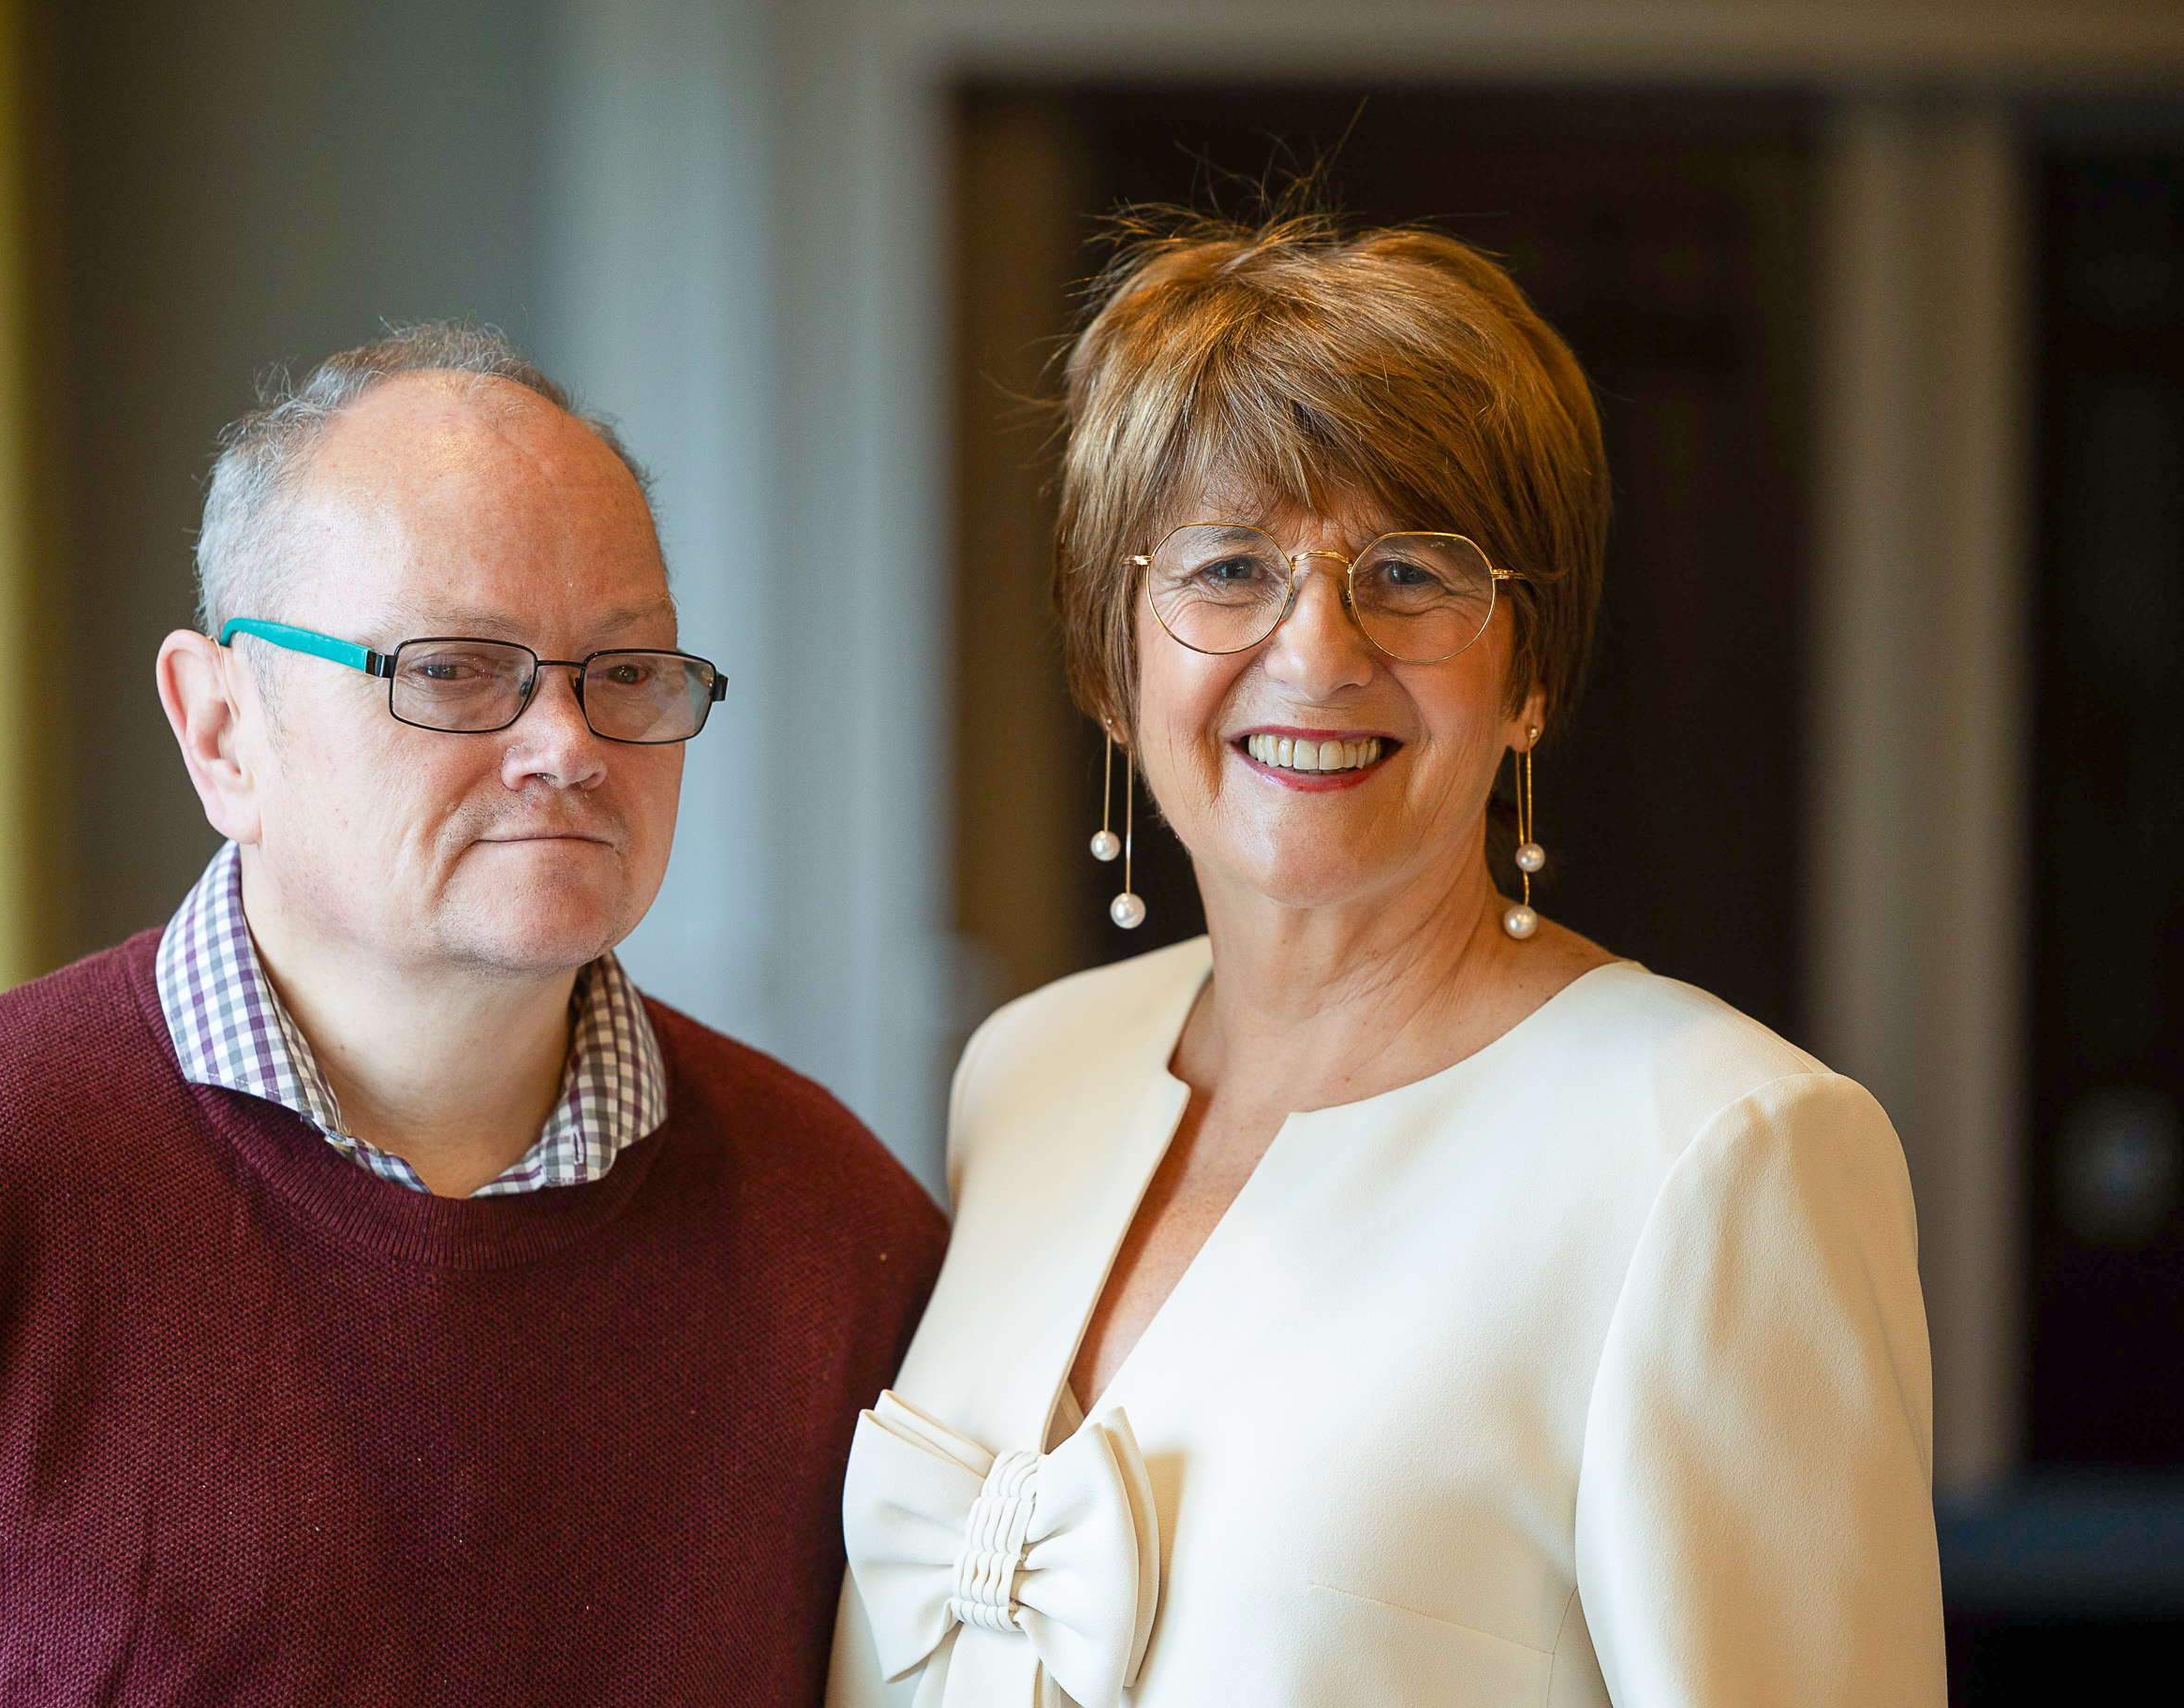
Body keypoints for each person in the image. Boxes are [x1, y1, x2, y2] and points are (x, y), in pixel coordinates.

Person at [0, 324, 946, 1706]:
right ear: (220, 729)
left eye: (624, 673)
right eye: (450, 669)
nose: (566, 746)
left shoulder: (838, 1235)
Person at [831, 220, 1942, 1706]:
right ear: (1114, 665)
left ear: (1530, 675)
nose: (1316, 652)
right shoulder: (1028, 1074)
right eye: (1229, 568)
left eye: (1412, 572)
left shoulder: (1720, 1153)